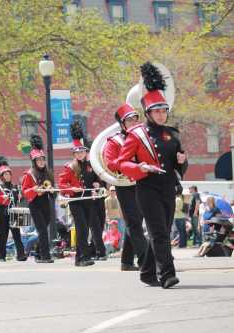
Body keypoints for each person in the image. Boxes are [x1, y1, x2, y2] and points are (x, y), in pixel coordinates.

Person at [116, 62, 187, 289]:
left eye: (164, 110)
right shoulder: (137, 134)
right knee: (158, 232)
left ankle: (147, 272)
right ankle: (167, 274)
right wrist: (140, 168)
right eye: (157, 111)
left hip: (168, 188)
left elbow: (179, 165)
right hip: (147, 188)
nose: (162, 114)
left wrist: (182, 162)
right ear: (148, 112)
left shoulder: (172, 134)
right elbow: (121, 162)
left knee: (163, 232)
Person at [102, 103, 148, 271]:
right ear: (122, 124)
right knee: (134, 222)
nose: (134, 123)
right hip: (124, 184)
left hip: (141, 182)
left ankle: (126, 261)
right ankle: (145, 260)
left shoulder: (143, 137)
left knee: (135, 222)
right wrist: (131, 165)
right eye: (130, 120)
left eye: (136, 119)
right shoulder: (114, 142)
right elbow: (111, 163)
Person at [59, 122, 105, 266]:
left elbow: (96, 181)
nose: (80, 154)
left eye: (82, 152)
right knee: (83, 229)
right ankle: (83, 257)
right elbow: (61, 185)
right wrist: (72, 188)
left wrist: (98, 185)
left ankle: (80, 258)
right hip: (76, 201)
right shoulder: (70, 167)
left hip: (88, 200)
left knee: (85, 229)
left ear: (86, 152)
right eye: (77, 152)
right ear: (74, 154)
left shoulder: (90, 166)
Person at [21, 134, 54, 264]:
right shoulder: (29, 174)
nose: (41, 162)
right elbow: (24, 191)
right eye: (38, 160)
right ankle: (45, 256)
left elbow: (52, 190)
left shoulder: (48, 173)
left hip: (46, 203)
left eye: (42, 159)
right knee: (42, 231)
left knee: (43, 230)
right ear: (34, 161)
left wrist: (52, 191)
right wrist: (35, 190)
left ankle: (39, 253)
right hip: (35, 204)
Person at [0, 156, 26, 262]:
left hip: (14, 213)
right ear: (1, 176)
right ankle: (2, 256)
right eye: (5, 174)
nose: (7, 176)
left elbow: (19, 199)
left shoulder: (15, 187)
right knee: (3, 236)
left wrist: (21, 195)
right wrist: (2, 198)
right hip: (3, 214)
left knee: (17, 235)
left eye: (9, 174)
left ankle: (21, 255)